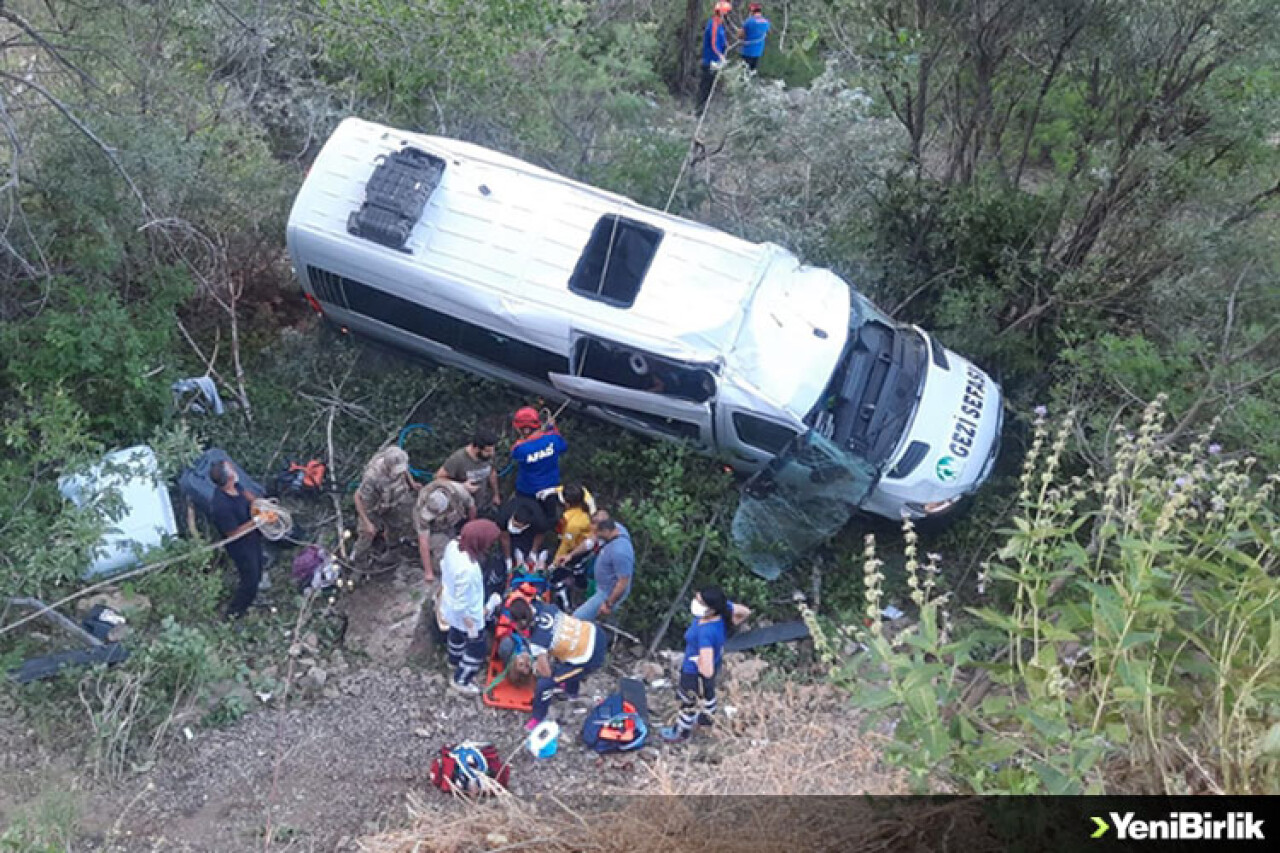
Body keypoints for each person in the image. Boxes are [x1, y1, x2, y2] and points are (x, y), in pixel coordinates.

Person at [661, 586, 750, 742]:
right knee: (708, 693)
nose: (695, 602)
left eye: (700, 601)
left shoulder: (706, 632)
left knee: (688, 701)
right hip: (715, 662)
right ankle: (705, 720)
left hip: (693, 672)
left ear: (711, 609)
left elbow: (706, 670)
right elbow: (745, 612)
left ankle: (682, 732)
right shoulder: (722, 613)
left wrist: (699, 663)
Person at [508, 597, 608, 730]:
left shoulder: (537, 641)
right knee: (565, 659)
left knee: (545, 684)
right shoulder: (545, 607)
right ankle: (571, 692)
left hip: (589, 657)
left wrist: (535, 666)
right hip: (594, 632)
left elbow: (546, 673)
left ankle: (538, 717)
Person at [440, 519, 501, 694]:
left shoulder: (453, 545)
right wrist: (472, 626)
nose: (489, 546)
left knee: (456, 634)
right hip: (466, 613)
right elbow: (462, 606)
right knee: (477, 648)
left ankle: (454, 660)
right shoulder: (469, 569)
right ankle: (461, 678)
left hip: (449, 602)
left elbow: (444, 566)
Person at [208, 459, 266, 619]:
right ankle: (234, 613)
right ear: (228, 478)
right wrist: (257, 521)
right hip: (240, 547)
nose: (235, 471)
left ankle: (253, 596)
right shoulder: (221, 506)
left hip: (252, 538)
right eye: (232, 470)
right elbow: (233, 533)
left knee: (259, 565)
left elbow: (247, 496)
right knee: (250, 578)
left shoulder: (235, 487)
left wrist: (261, 505)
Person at [352, 446, 420, 566]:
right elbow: (358, 498)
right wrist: (367, 523)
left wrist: (412, 483)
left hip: (394, 501)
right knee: (366, 536)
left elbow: (405, 471)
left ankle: (392, 553)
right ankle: (359, 564)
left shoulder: (400, 462)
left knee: (395, 527)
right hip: (373, 508)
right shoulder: (372, 477)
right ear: (387, 466)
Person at [509, 407, 567, 523]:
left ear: (525, 430)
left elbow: (515, 452)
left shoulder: (520, 448)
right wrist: (552, 428)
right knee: (547, 518)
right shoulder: (553, 439)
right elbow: (563, 446)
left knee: (522, 517)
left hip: (527, 490)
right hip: (550, 488)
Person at [414, 477, 476, 585]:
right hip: (435, 531)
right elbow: (423, 540)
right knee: (445, 560)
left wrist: (471, 528)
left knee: (460, 550)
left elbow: (471, 507)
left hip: (452, 523)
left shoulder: (458, 492)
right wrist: (429, 572)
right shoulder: (422, 509)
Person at [573, 516, 634, 622]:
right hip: (600, 584)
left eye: (598, 534)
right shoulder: (614, 528)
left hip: (607, 593)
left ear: (606, 531)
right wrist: (571, 555)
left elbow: (623, 582)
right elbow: (591, 540)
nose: (596, 536)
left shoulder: (620, 552)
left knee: (576, 618)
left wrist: (608, 604)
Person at [436, 430, 502, 519]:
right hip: (460, 506)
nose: (492, 453)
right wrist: (461, 486)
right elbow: (439, 478)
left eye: (492, 450)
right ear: (476, 448)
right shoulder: (458, 459)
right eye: (488, 451)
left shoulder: (488, 456)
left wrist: (496, 494)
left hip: (481, 502)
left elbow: (492, 473)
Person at [499, 495, 552, 569]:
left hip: (534, 505)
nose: (515, 527)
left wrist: (533, 551)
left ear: (527, 525)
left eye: (518, 526)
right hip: (517, 501)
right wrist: (508, 559)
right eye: (514, 524)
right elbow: (504, 538)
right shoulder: (503, 516)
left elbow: (540, 534)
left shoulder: (540, 521)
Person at [698, 1, 732, 115]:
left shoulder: (720, 24)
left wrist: (726, 44)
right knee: (705, 87)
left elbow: (721, 39)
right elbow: (713, 44)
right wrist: (721, 56)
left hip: (716, 61)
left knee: (710, 86)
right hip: (710, 61)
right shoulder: (713, 25)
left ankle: (704, 109)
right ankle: (699, 111)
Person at [553, 484, 596, 565]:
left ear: (567, 504)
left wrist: (554, 564)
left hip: (579, 551)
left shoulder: (573, 524)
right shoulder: (583, 503)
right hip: (572, 540)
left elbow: (566, 544)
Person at [739, 3, 770, 71]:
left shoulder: (749, 21)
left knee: (743, 72)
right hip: (758, 52)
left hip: (747, 51)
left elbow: (741, 35)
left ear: (752, 11)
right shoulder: (766, 22)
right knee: (752, 71)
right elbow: (765, 33)